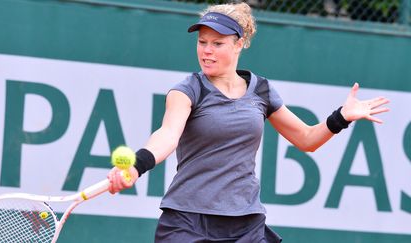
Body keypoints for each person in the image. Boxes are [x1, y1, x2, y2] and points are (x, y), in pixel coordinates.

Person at [107, 2, 389, 242]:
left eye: (217, 44)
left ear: (239, 44)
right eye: (202, 42)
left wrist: (341, 117)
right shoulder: (187, 90)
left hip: (245, 224)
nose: (207, 51)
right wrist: (137, 164)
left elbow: (306, 138)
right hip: (188, 221)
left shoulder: (261, 91)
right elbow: (167, 135)